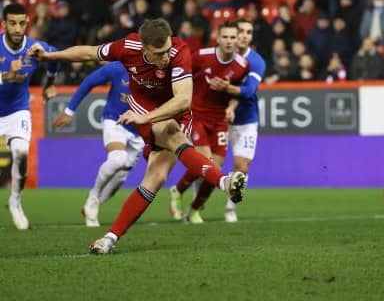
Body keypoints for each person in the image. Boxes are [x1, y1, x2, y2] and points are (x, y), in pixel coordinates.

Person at [28, 18, 246, 254]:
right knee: (172, 136)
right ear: (144, 48)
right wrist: (51, 56)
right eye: (158, 53)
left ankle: (109, 239)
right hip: (143, 110)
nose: (165, 58)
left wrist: (150, 116)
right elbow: (89, 52)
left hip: (174, 112)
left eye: (166, 51)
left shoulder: (178, 51)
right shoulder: (127, 47)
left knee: (156, 178)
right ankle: (223, 181)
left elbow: (183, 100)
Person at [168, 21, 249, 224]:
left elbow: (237, 93)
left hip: (220, 120)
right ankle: (177, 191)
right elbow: (180, 76)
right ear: (218, 38)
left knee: (215, 171)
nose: (229, 41)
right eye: (225, 37)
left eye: (233, 37)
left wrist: (230, 107)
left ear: (236, 39)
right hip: (197, 115)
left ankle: (194, 210)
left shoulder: (241, 66)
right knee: (207, 163)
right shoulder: (201, 56)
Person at [51, 62, 144, 227]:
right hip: (115, 120)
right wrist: (69, 111)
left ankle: (91, 206)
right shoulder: (118, 68)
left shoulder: (159, 72)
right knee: (118, 159)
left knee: (122, 175)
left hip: (140, 129)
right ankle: (93, 198)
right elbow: (89, 81)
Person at [194, 18, 265, 222]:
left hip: (245, 120)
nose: (244, 35)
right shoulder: (213, 56)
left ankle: (230, 208)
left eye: (248, 32)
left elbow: (249, 91)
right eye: (240, 31)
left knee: (242, 167)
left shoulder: (255, 62)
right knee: (205, 165)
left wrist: (225, 88)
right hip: (216, 118)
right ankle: (196, 203)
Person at [0, 3, 58, 230]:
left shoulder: (35, 47)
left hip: (17, 109)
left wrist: (50, 84)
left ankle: (15, 201)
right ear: (4, 24)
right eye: (12, 23)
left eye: (21, 23)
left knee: (21, 153)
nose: (17, 28)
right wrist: (7, 75)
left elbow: (54, 59)